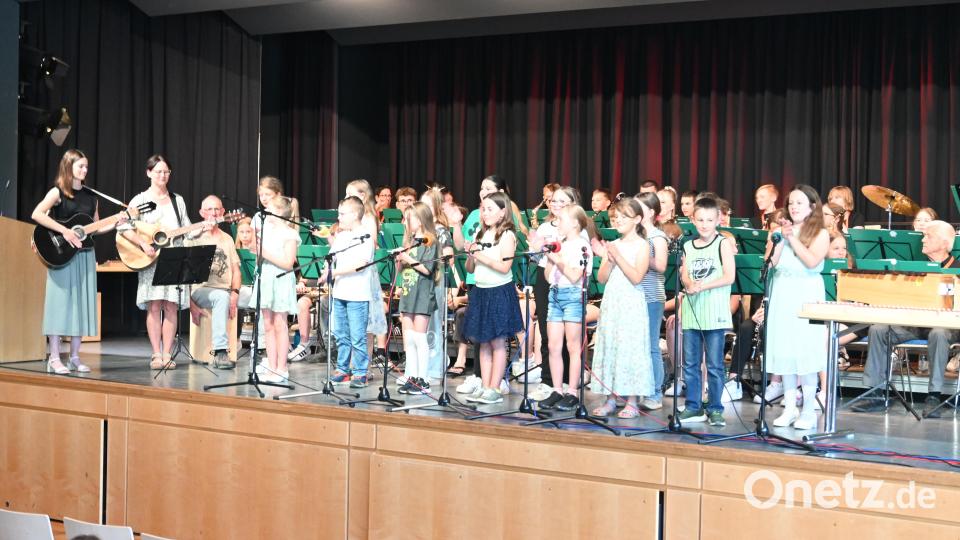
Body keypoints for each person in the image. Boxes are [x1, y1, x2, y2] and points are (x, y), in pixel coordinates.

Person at [853, 220, 960, 417]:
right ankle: (875, 392)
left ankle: (934, 395)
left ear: (944, 243)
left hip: (947, 326)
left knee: (939, 332)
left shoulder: (958, 269)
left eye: (928, 236)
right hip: (916, 323)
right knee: (878, 329)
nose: (923, 239)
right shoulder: (917, 267)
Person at [32, 149, 116, 374]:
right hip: (61, 256)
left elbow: (96, 227)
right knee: (59, 306)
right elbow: (37, 214)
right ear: (68, 167)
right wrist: (66, 231)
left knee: (81, 305)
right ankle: (55, 358)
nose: (85, 170)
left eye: (86, 166)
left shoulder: (91, 197)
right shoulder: (57, 192)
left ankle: (75, 357)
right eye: (80, 166)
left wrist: (120, 221)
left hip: (85, 255)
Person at [765, 185, 830, 431]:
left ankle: (808, 411)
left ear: (812, 206)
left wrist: (792, 237)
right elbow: (770, 263)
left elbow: (812, 260)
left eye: (799, 203)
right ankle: (790, 407)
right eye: (791, 203)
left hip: (806, 294)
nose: (793, 207)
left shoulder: (820, 233)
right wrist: (780, 238)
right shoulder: (779, 232)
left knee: (805, 352)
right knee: (785, 352)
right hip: (782, 292)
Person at [121, 155, 191, 370]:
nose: (162, 175)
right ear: (149, 173)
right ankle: (156, 354)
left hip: (173, 258)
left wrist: (201, 229)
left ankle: (168, 353)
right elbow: (123, 227)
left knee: (171, 306)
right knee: (154, 306)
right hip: (150, 258)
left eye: (166, 172)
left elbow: (186, 228)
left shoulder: (177, 200)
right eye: (158, 171)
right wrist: (143, 243)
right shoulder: (139, 200)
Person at [589, 197, 652, 417]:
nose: (618, 221)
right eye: (616, 217)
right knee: (610, 347)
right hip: (612, 301)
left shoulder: (643, 245)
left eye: (624, 217)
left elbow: (637, 277)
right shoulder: (614, 244)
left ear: (637, 219)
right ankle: (610, 398)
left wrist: (619, 257)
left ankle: (632, 401)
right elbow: (602, 277)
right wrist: (610, 259)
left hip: (631, 303)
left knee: (630, 349)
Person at [676, 197, 735, 426]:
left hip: (714, 312)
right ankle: (693, 406)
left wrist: (703, 286)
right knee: (690, 363)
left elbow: (729, 276)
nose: (704, 224)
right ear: (693, 219)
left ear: (718, 220)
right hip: (693, 312)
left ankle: (715, 408)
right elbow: (684, 272)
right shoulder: (688, 246)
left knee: (714, 364)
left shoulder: (722, 244)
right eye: (700, 220)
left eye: (709, 220)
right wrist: (688, 283)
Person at [462, 191, 524, 405]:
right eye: (483, 208)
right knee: (483, 341)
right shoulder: (481, 232)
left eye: (490, 209)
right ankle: (485, 384)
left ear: (502, 212)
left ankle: (495, 387)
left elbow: (504, 266)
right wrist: (471, 255)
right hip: (481, 290)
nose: (485, 212)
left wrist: (480, 255)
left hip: (499, 291)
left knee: (497, 342)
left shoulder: (507, 235)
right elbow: (470, 267)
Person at [526, 186, 582, 401]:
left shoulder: (578, 231)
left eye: (562, 202)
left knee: (570, 337)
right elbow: (536, 258)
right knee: (548, 333)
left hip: (570, 282)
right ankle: (549, 380)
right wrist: (536, 248)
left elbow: (578, 265)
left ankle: (570, 382)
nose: (556, 205)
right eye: (553, 201)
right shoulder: (545, 226)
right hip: (547, 276)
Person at [538, 204, 594, 412]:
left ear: (574, 223)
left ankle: (572, 391)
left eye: (561, 219)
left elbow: (573, 275)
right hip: (555, 294)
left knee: (572, 347)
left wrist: (557, 260)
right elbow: (547, 276)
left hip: (572, 295)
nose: (557, 222)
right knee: (553, 345)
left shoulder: (582, 246)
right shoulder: (559, 244)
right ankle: (557, 389)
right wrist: (551, 260)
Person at [325, 196, 376, 388]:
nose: (339, 217)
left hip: (358, 294)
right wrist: (326, 267)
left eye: (342, 214)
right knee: (341, 334)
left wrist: (335, 272)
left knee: (357, 335)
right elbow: (332, 257)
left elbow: (361, 265)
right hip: (340, 292)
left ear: (355, 214)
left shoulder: (365, 236)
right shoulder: (342, 235)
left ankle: (360, 372)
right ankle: (342, 369)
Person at [187, 195, 241, 369]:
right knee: (221, 297)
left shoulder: (227, 239)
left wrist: (235, 293)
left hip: (225, 290)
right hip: (201, 290)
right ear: (202, 213)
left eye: (217, 209)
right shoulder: (193, 237)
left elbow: (236, 270)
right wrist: (190, 304)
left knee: (260, 297)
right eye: (209, 209)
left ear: (223, 212)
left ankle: (264, 350)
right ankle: (220, 352)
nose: (213, 212)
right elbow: (183, 273)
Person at [250, 195, 300, 384]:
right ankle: (271, 366)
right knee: (268, 326)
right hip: (266, 278)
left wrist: (264, 253)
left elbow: (288, 263)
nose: (265, 210)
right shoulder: (266, 231)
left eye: (269, 207)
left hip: (281, 280)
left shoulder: (290, 234)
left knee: (280, 325)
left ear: (279, 212)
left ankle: (282, 368)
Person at [344, 179, 389, 369]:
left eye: (350, 194)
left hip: (364, 274)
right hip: (349, 272)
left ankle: (365, 364)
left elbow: (369, 246)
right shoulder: (348, 219)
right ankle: (353, 362)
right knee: (352, 322)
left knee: (366, 322)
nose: (346, 198)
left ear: (362, 196)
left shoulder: (369, 218)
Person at [396, 202, 440, 395]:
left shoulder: (430, 241)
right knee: (410, 338)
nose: (407, 222)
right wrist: (399, 259)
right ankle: (412, 376)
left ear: (421, 220)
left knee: (420, 338)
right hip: (408, 293)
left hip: (423, 294)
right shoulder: (411, 241)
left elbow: (427, 268)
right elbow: (403, 270)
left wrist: (408, 259)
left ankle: (423, 378)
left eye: (410, 218)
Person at [419, 186, 458, 380]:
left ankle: (433, 368)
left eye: (427, 205)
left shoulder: (441, 230)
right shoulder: (420, 230)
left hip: (435, 281)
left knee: (433, 324)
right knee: (420, 327)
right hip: (420, 282)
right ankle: (419, 369)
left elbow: (449, 256)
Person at [635, 192, 670, 409]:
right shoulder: (634, 235)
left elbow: (662, 265)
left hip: (651, 298)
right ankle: (635, 390)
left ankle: (655, 393)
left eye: (638, 207)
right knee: (634, 345)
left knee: (650, 346)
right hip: (633, 296)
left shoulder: (657, 236)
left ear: (650, 212)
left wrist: (638, 254)